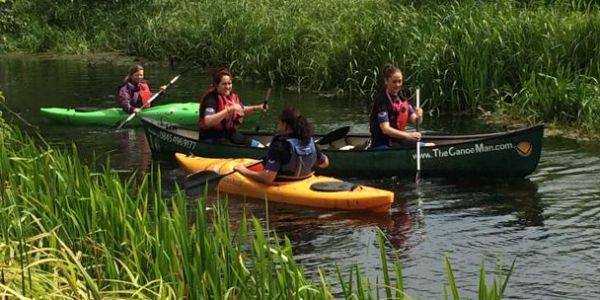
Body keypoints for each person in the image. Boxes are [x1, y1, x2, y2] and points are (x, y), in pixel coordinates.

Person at [234, 107, 329, 184]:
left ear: (285, 125)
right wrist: (306, 158)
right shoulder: (309, 141)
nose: (278, 126)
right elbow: (325, 164)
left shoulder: (279, 145)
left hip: (284, 183)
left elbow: (268, 178)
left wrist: (243, 171)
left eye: (279, 123)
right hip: (304, 180)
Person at [198, 66, 267, 147]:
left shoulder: (231, 96)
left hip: (230, 134)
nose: (227, 87)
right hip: (212, 137)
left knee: (257, 145)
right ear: (216, 85)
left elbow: (242, 110)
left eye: (229, 83)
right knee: (231, 147)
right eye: (224, 84)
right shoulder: (211, 100)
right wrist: (229, 110)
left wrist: (257, 108)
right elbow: (208, 121)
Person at [369, 63, 433, 149]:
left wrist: (419, 115)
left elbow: (416, 121)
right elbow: (385, 129)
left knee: (431, 146)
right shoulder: (381, 101)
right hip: (383, 144)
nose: (397, 85)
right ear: (386, 81)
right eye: (394, 82)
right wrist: (408, 135)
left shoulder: (402, 99)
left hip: (399, 141)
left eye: (400, 81)